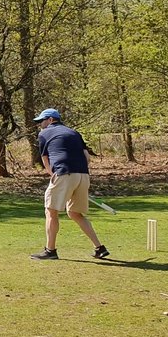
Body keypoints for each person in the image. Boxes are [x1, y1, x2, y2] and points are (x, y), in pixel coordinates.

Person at [30, 108, 109, 260]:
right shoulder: (74, 133)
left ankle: (50, 251)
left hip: (63, 173)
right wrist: (78, 176)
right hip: (83, 174)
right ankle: (100, 248)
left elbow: (45, 159)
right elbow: (87, 157)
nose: (40, 124)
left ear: (51, 120)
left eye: (42, 121)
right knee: (74, 213)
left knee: (51, 211)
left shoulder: (44, 134)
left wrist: (54, 176)